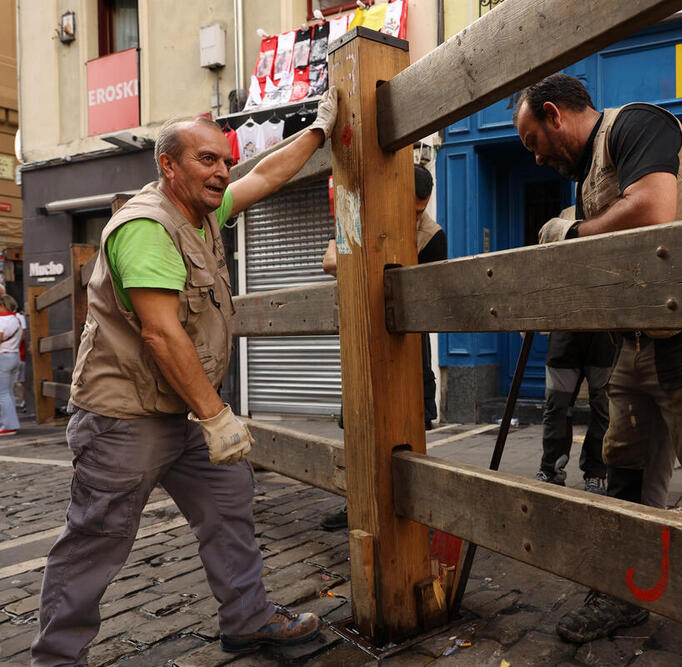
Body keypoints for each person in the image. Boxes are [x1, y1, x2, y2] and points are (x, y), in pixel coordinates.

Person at [31, 89, 340, 666]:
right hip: (124, 421)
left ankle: (248, 621)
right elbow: (161, 334)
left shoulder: (200, 212)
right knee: (96, 541)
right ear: (168, 165)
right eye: (207, 160)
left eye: (225, 160)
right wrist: (218, 417)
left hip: (180, 412)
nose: (223, 171)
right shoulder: (147, 227)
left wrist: (319, 131)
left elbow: (267, 174)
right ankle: (56, 659)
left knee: (230, 503)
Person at [514, 74, 682, 667]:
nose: (534, 154)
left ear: (554, 115)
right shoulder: (587, 174)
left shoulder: (635, 124)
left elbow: (654, 207)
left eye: (532, 140)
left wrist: (572, 232)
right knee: (623, 465)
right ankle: (625, 593)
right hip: (636, 337)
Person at [319, 162, 447, 530]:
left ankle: (408, 507)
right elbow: (329, 258)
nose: (413, 217)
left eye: (420, 211)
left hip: (407, 343)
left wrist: (354, 264)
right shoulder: (357, 211)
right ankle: (357, 502)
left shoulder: (432, 235)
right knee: (358, 425)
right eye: (408, 208)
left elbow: (425, 297)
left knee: (408, 425)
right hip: (361, 333)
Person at [536, 211, 615, 495]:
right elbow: (543, 265)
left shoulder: (616, 213)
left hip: (604, 330)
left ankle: (596, 472)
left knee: (603, 408)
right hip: (565, 328)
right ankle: (551, 469)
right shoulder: (563, 218)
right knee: (556, 406)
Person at [0, 294, 23, 435]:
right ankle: (11, 423)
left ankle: (8, 425)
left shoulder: (2, 320)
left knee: (3, 393)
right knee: (8, 392)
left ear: (3, 305)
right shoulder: (17, 319)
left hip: (3, 356)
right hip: (14, 355)